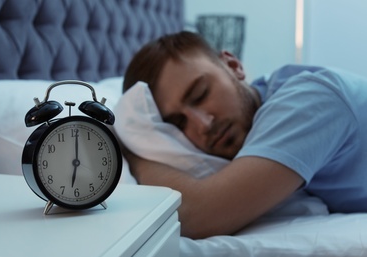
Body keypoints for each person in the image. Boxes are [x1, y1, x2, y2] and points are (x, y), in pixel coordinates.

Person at [121, 31, 367, 239]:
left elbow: (198, 215)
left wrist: (133, 153)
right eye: (178, 123)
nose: (203, 124)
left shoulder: (306, 102)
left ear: (233, 65)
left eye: (201, 94)